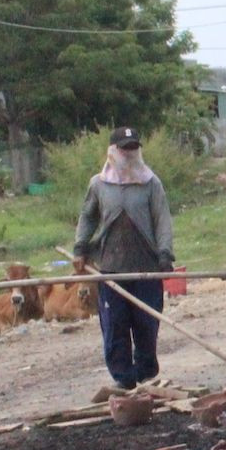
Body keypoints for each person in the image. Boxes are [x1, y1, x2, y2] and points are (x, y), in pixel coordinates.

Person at [72, 126, 175, 390]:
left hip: (145, 268)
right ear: (113, 151)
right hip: (111, 268)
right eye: (124, 149)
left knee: (146, 322)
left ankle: (146, 374)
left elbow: (162, 220)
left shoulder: (151, 183)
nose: (129, 154)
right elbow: (88, 217)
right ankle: (123, 378)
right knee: (115, 324)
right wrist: (80, 248)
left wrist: (165, 253)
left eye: (133, 148)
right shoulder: (99, 184)